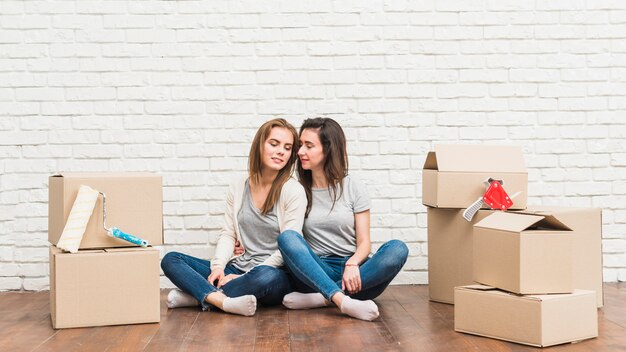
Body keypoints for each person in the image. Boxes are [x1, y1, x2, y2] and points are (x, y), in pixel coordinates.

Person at [161, 118, 306, 316]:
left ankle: (198, 297)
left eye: (287, 147)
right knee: (171, 259)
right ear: (259, 145)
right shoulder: (239, 186)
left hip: (271, 273)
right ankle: (221, 300)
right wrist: (219, 267)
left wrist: (243, 277)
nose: (281, 151)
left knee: (265, 277)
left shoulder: (293, 191)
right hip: (237, 267)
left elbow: (287, 250)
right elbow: (229, 234)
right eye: (274, 144)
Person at [277, 117, 409, 321]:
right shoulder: (297, 189)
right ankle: (343, 299)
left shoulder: (352, 185)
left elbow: (364, 242)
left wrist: (353, 264)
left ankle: (322, 298)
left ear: (328, 149)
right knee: (287, 237)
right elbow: (282, 230)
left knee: (398, 248)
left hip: (357, 274)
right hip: (315, 271)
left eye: (309, 146)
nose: (300, 151)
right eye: (300, 145)